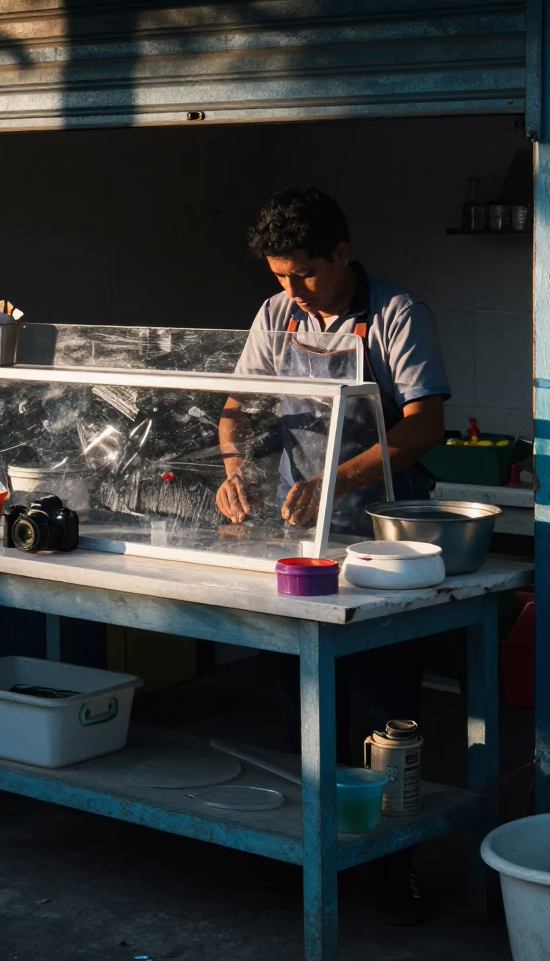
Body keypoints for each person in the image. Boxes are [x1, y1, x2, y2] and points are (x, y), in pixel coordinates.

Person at [216, 186, 451, 925]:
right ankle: (309, 847)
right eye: (279, 275)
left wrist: (337, 481)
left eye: (304, 274)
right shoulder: (276, 314)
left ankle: (391, 866)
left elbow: (422, 428)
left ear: (343, 254)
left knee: (384, 705)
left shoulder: (396, 315)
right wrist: (234, 469)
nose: (290, 291)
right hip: (302, 537)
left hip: (383, 535)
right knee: (302, 699)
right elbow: (240, 405)